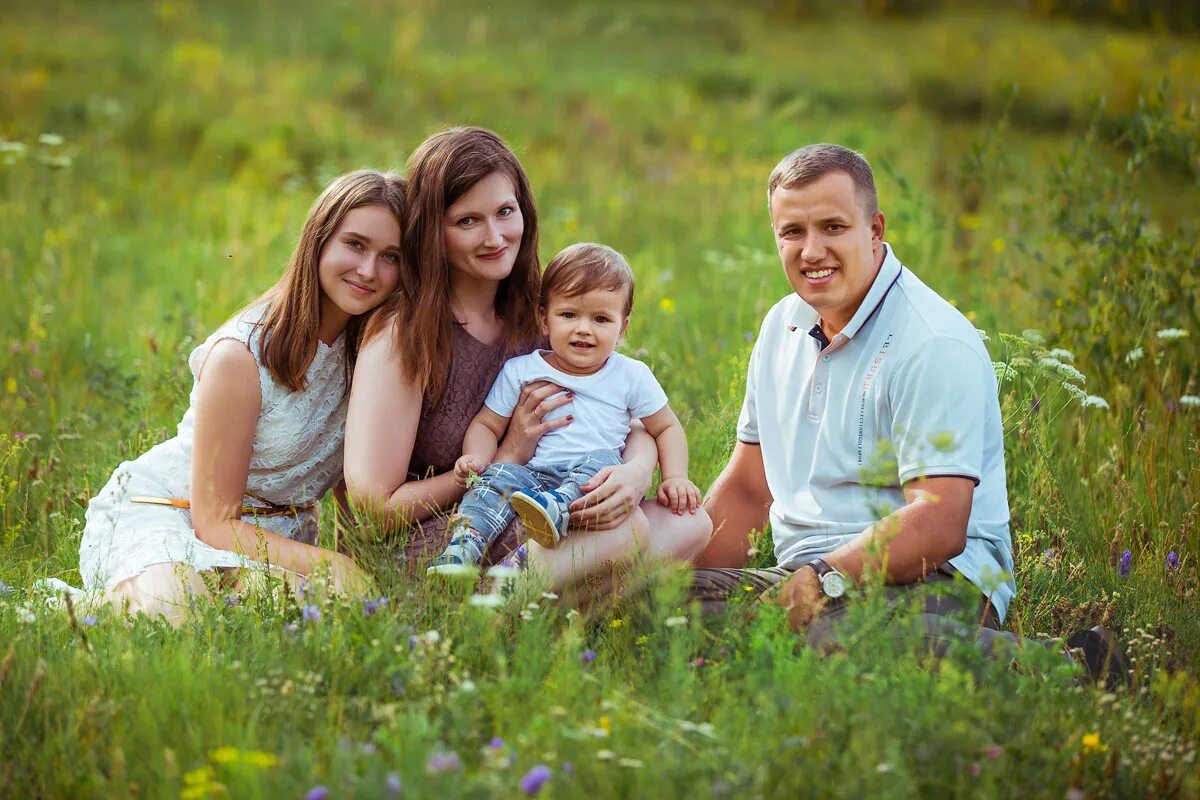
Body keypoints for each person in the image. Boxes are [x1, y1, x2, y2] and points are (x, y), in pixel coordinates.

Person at [691, 144, 1126, 685]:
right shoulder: (782, 325)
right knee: (659, 609)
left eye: (832, 226)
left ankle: (1067, 665)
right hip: (808, 575)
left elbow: (939, 523)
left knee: (820, 644)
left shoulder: (931, 341)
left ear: (874, 230)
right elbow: (748, 489)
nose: (811, 250)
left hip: (937, 579)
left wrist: (822, 580)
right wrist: (681, 582)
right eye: (792, 232)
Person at [344, 127, 711, 587]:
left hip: (546, 504)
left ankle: (538, 615)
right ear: (432, 231)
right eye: (467, 221)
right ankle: (484, 610)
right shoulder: (405, 333)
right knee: (623, 534)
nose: (495, 237)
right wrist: (503, 458)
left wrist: (635, 474)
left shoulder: (534, 311)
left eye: (504, 212)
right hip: (455, 530)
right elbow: (375, 511)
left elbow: (629, 409)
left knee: (689, 523)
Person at [78, 169, 404, 621]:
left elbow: (356, 486)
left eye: (391, 256)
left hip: (269, 537)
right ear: (319, 241)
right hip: (171, 513)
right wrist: (332, 563)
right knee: (177, 608)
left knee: (313, 614)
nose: (369, 270)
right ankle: (81, 610)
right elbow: (212, 521)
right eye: (355, 245)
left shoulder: (375, 351)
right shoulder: (241, 355)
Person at [426, 243, 702, 571]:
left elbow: (666, 426)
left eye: (601, 319)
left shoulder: (631, 375)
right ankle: (465, 544)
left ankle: (557, 508)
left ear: (622, 329)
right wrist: (478, 458)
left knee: (603, 460)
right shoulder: (522, 370)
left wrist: (675, 477)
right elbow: (488, 424)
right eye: (569, 314)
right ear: (544, 320)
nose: (583, 328)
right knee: (496, 478)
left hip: (588, 482)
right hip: (530, 476)